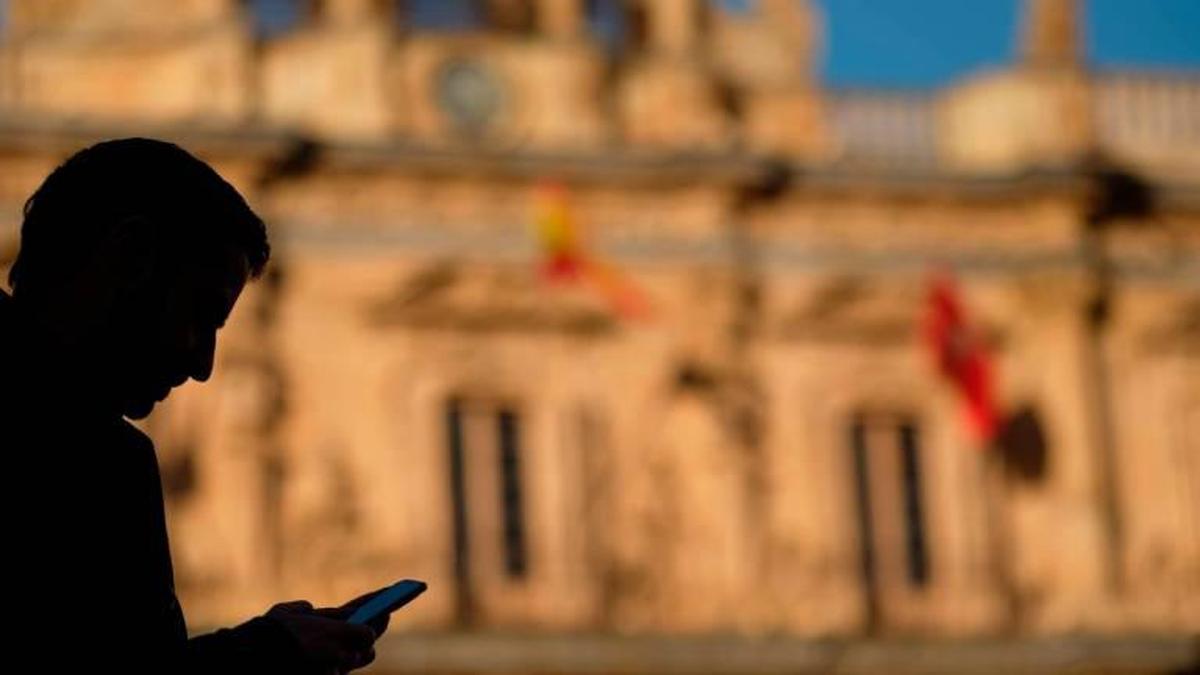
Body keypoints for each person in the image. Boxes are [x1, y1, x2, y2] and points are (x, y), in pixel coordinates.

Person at [0, 138, 386, 674]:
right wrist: (269, 654)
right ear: (129, 257)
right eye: (199, 315)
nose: (203, 363)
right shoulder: (103, 459)